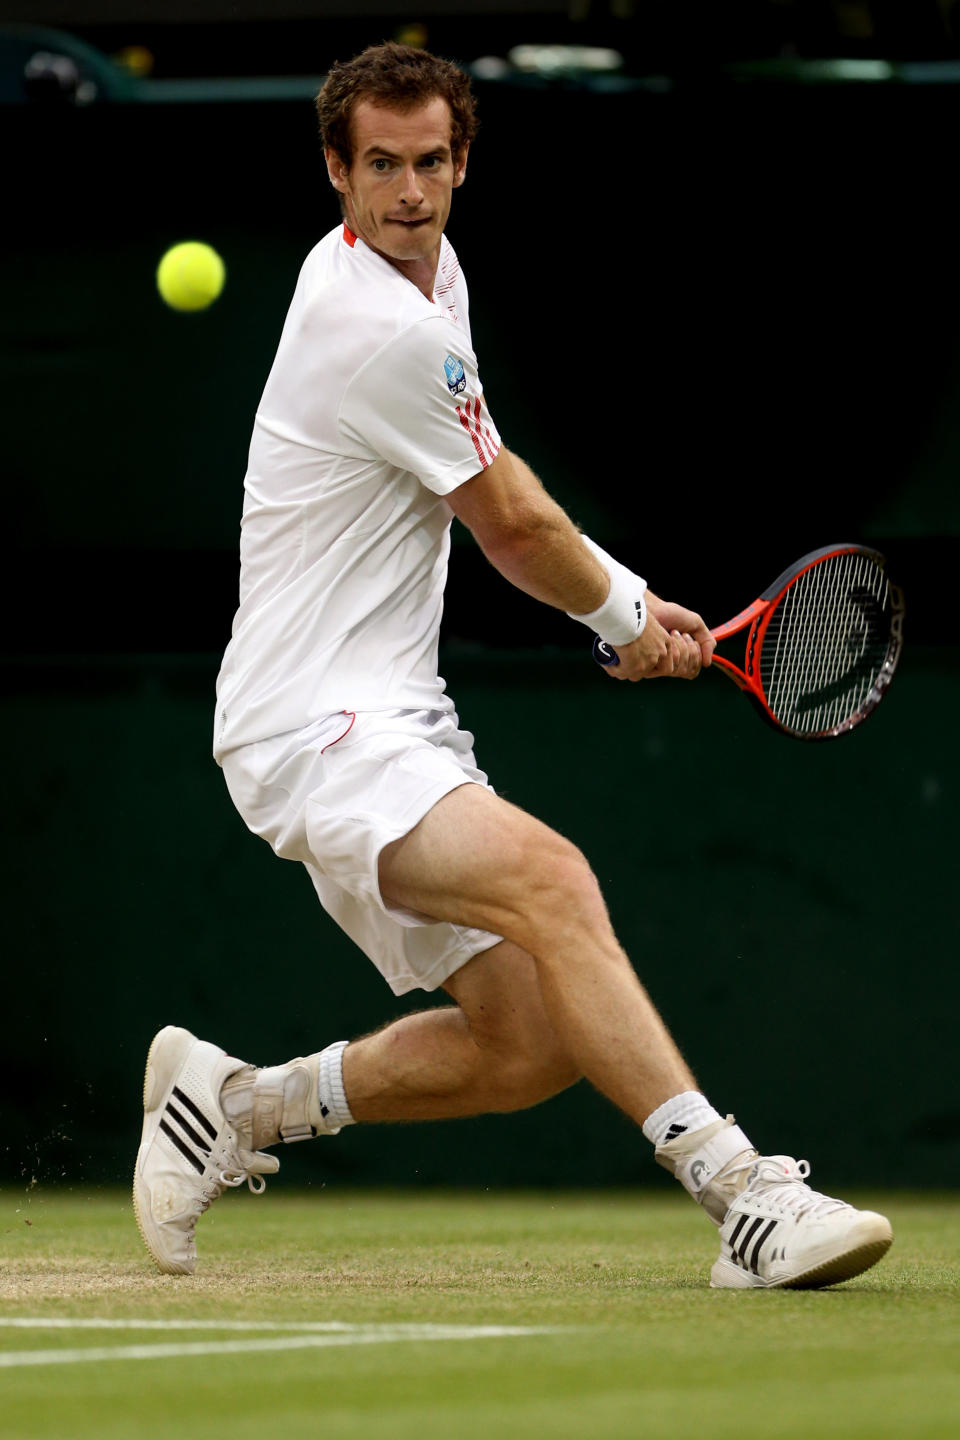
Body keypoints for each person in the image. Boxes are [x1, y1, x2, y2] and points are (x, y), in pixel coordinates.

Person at [133, 42, 892, 1289]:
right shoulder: (372, 323)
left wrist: (635, 606)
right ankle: (744, 1197)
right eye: (381, 166)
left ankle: (239, 1106)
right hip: (311, 728)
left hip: (389, 722)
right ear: (338, 170)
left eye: (431, 162)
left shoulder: (438, 285)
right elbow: (511, 524)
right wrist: (623, 622)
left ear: (462, 161)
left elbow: (504, 495)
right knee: (555, 880)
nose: (411, 193)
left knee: (528, 1039)